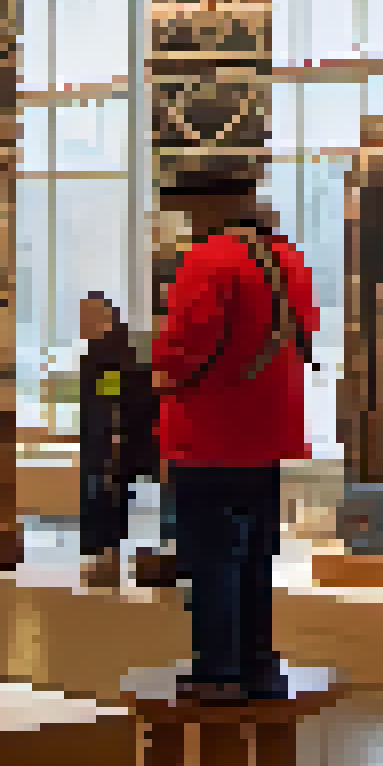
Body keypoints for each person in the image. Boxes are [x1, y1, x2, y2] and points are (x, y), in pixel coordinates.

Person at [149, 173, 319, 703]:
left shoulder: (208, 261)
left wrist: (156, 371)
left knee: (212, 557)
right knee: (256, 555)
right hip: (273, 432)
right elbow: (307, 334)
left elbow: (181, 352)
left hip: (211, 435)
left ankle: (218, 669)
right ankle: (255, 661)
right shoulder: (290, 260)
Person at [78, 293, 158, 589]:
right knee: (110, 498)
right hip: (114, 441)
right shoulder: (112, 350)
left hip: (114, 443)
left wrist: (111, 441)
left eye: (89, 315)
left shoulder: (111, 354)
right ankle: (108, 556)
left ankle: (107, 557)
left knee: (108, 497)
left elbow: (111, 403)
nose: (84, 323)